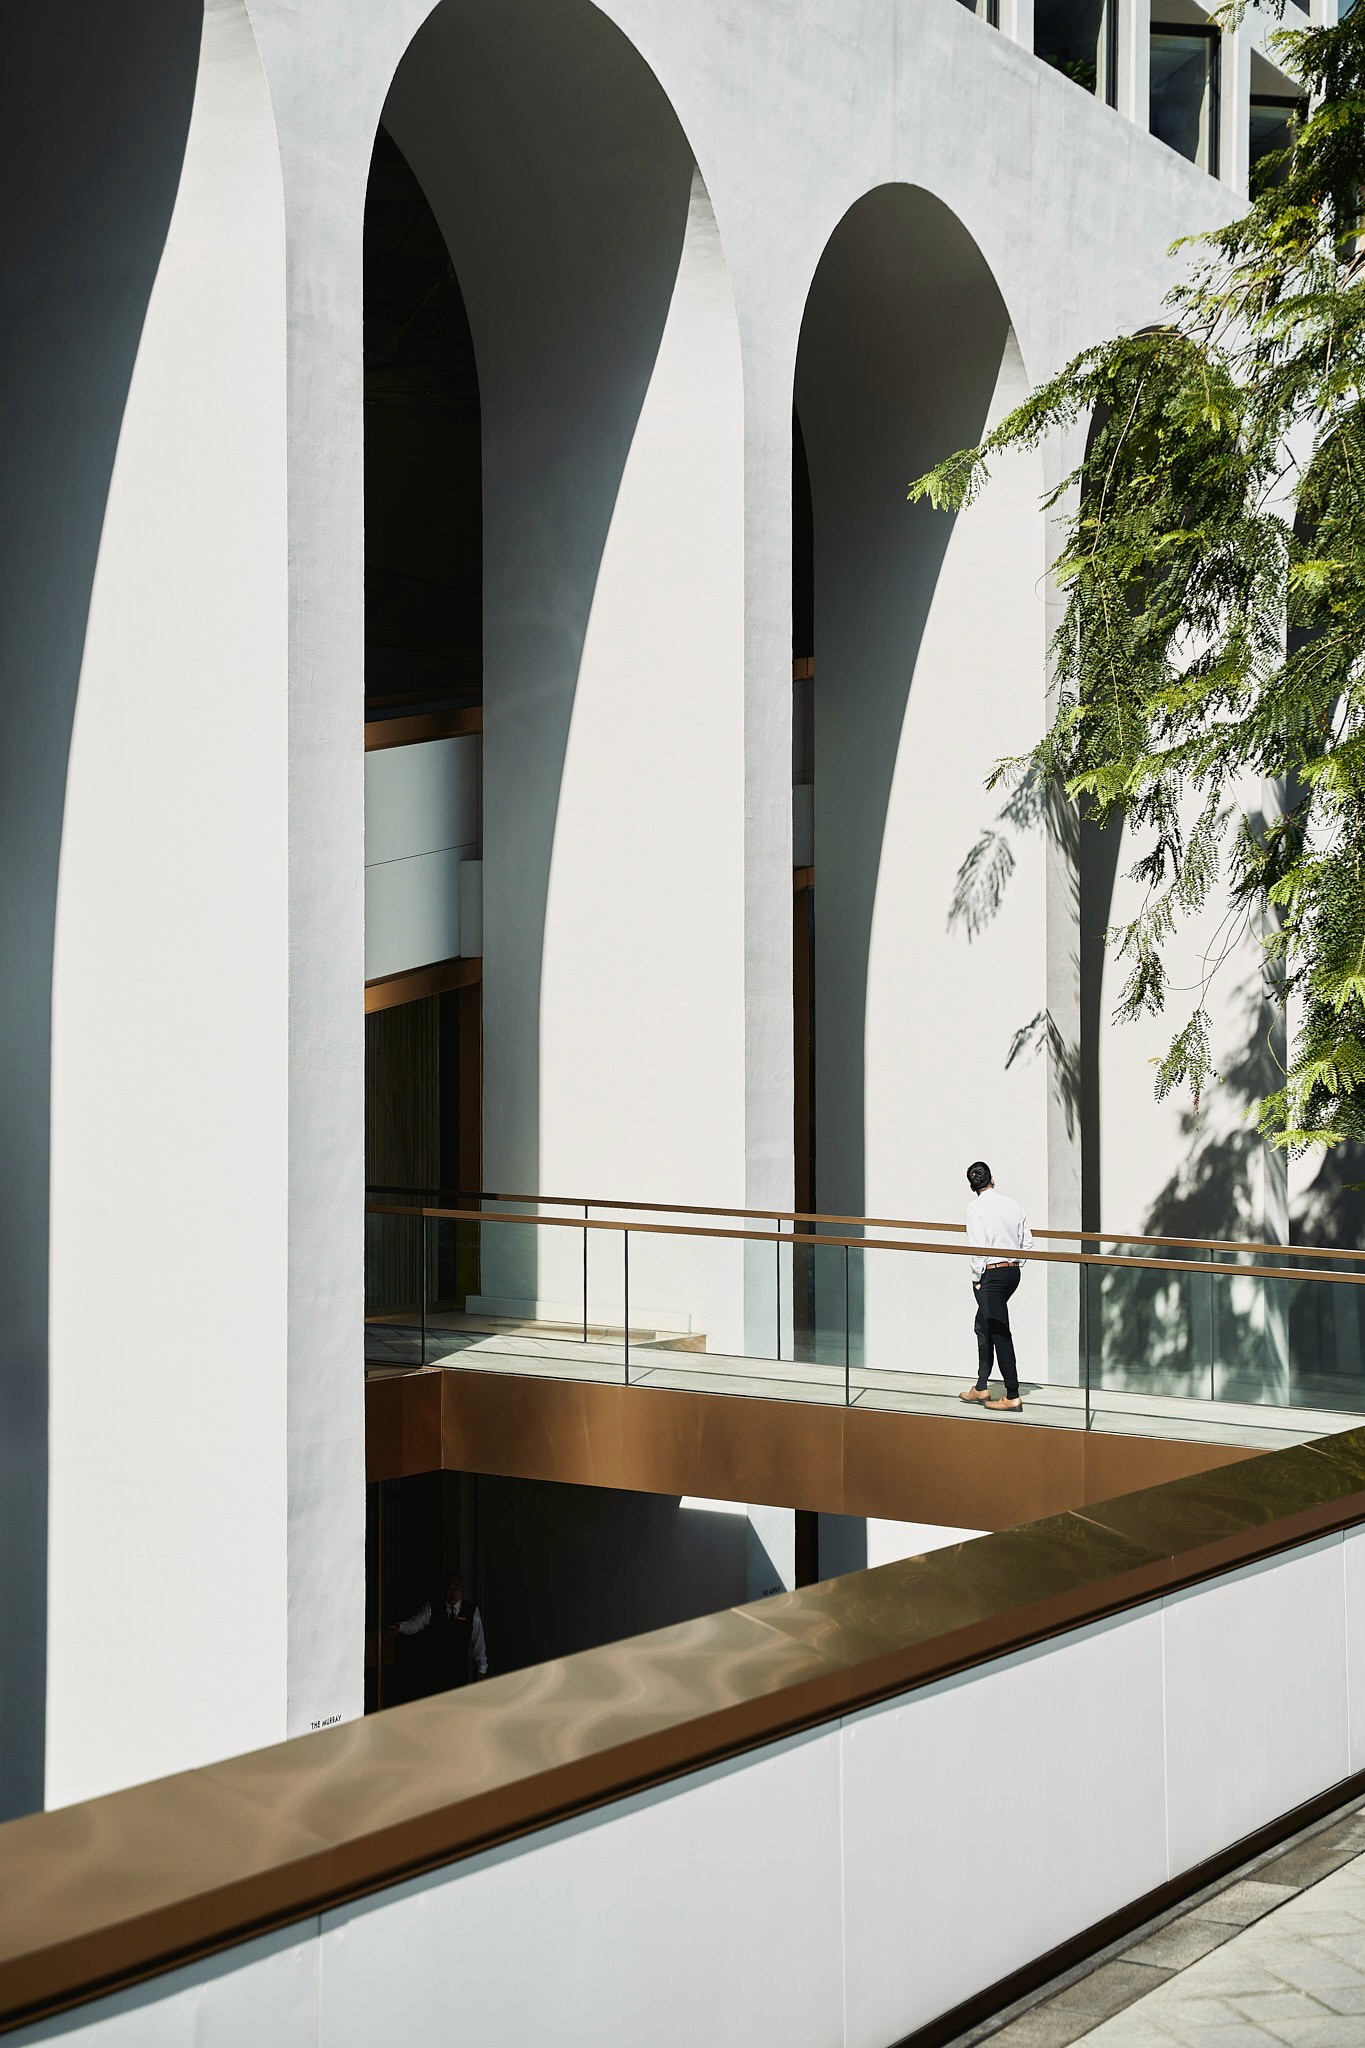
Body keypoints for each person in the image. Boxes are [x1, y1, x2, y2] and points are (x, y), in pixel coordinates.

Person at [958, 1160, 1033, 1412]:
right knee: (983, 1324)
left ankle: (1012, 1394)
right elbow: (1027, 1242)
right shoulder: (1013, 1205)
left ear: (973, 1186)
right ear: (993, 1180)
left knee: (999, 1331)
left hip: (990, 1275)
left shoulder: (975, 1207)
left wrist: (977, 1279)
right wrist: (1014, 1262)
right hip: (1012, 1274)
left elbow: (978, 1248)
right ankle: (981, 1386)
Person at [390, 1572, 488, 1690]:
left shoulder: (471, 1610)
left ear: (462, 1589)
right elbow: (415, 1623)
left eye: (456, 1588)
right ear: (444, 1589)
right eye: (449, 1588)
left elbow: (479, 1643)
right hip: (436, 1670)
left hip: (460, 1671)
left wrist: (481, 1669)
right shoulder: (432, 1607)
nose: (453, 1592)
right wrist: (400, 1627)